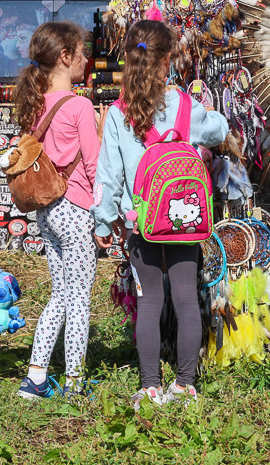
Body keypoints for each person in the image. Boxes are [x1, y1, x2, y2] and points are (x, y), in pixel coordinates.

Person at [92, 20, 229, 409]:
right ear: (168, 60)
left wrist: (104, 221)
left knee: (149, 301)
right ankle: (185, 385)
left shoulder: (119, 113)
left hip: (142, 223)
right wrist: (210, 114)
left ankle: (150, 385)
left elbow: (109, 173)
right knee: (186, 296)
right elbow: (218, 132)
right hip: (186, 222)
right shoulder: (186, 105)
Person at [14, 22, 102, 399]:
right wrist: (106, 212)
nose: (85, 59)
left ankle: (34, 377)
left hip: (47, 212)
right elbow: (96, 165)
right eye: (81, 53)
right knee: (79, 300)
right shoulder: (79, 105)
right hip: (77, 208)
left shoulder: (36, 104)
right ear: (65, 57)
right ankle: (75, 381)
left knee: (59, 296)